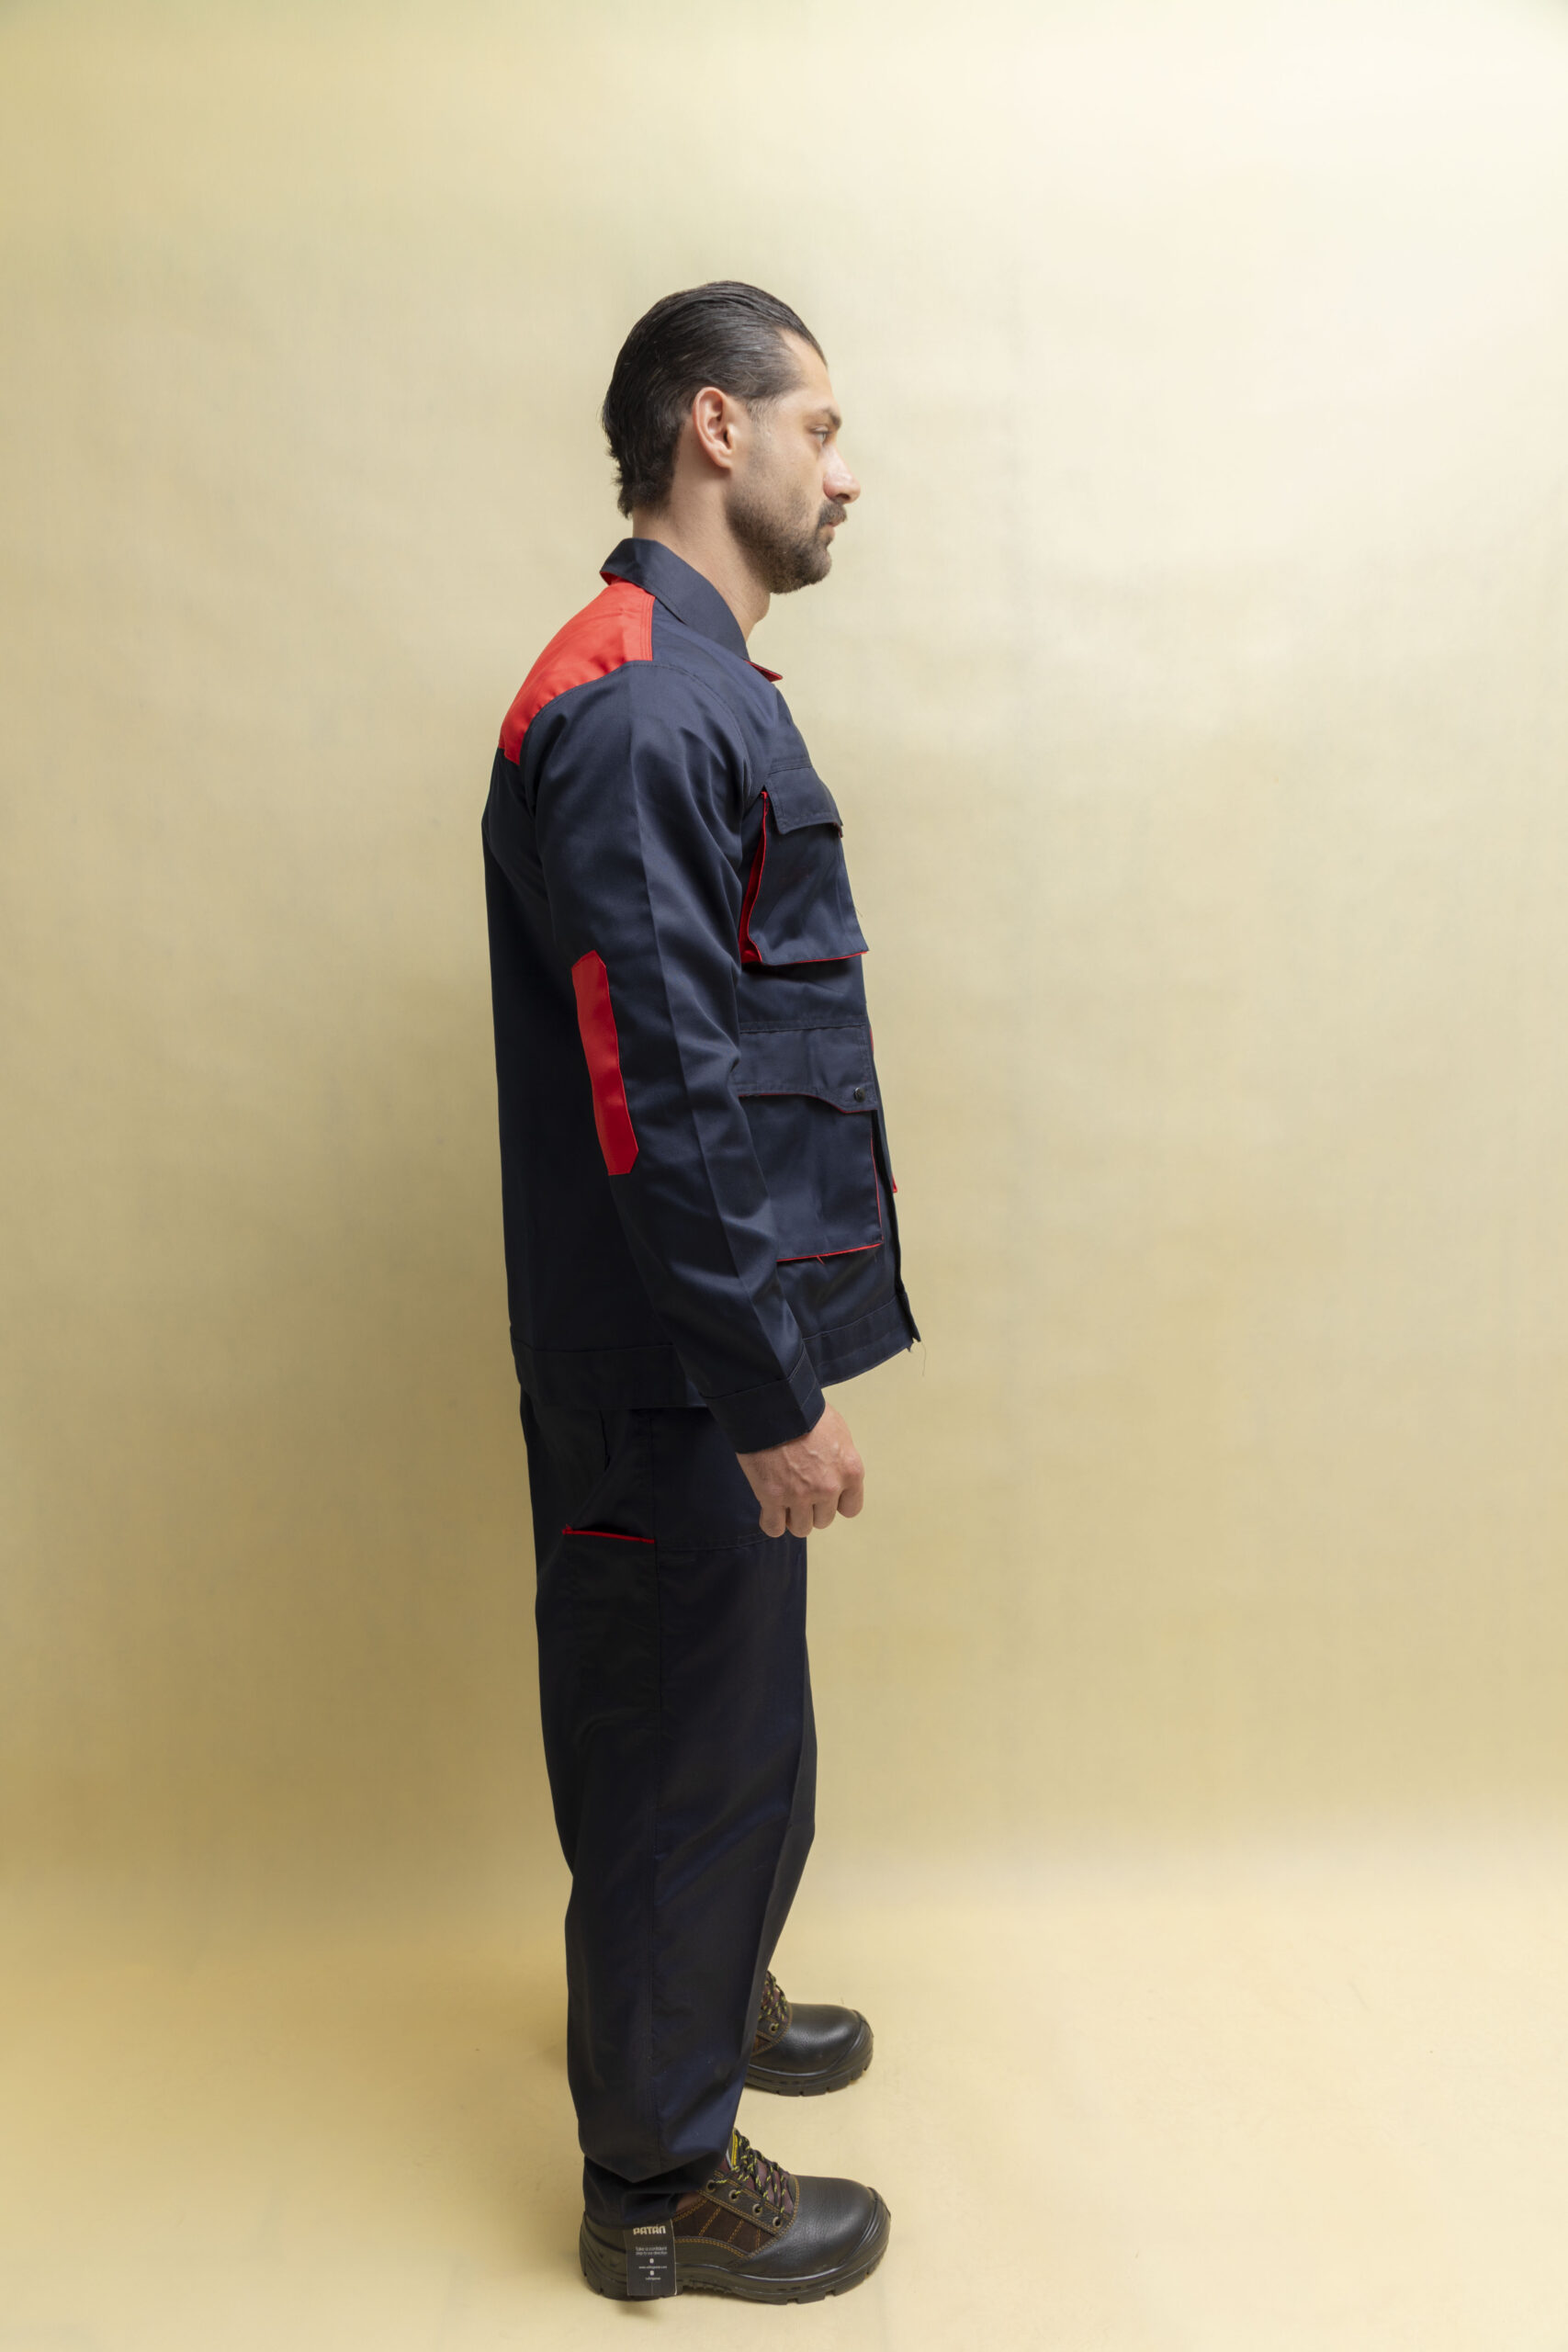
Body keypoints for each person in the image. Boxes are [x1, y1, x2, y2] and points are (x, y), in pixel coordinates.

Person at [481, 281, 918, 2303]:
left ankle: (701, 1991)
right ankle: (656, 2178)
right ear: (713, 429)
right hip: (675, 1361)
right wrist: (766, 1390)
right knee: (676, 1743)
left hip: (705, 1344)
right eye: (819, 425)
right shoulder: (644, 705)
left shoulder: (688, 680)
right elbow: (655, 1084)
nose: (846, 469)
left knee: (732, 1728)